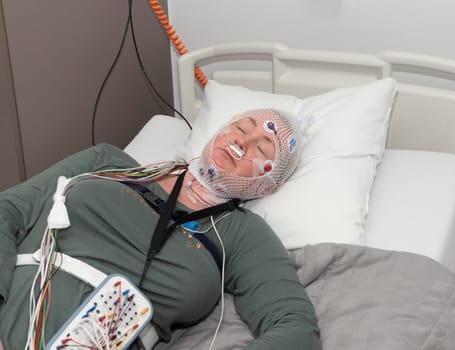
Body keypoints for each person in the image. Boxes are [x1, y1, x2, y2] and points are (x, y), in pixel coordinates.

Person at [0, 109, 321, 350]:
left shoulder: (243, 236)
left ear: (270, 184)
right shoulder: (108, 162)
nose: (242, 142)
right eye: (240, 128)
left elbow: (297, 329)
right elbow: (7, 211)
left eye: (262, 150)